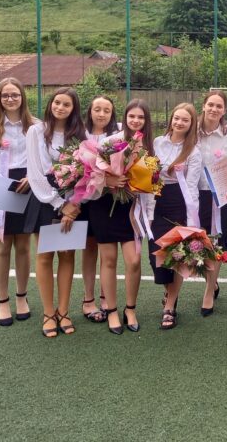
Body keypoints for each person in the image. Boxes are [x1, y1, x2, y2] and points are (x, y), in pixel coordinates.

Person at [90, 98, 154, 335]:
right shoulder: (110, 142)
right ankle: (112, 311)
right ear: (125, 118)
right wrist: (108, 180)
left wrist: (149, 216)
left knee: (134, 261)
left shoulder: (148, 148)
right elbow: (91, 176)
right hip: (105, 206)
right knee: (108, 260)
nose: (136, 120)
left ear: (146, 120)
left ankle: (130, 309)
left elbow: (150, 187)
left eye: (141, 117)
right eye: (132, 116)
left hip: (131, 210)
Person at [27, 87, 86, 337]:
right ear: (51, 103)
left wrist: (73, 205)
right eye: (57, 102)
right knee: (44, 257)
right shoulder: (36, 131)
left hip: (73, 200)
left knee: (67, 255)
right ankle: (48, 313)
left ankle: (63, 311)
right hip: (45, 199)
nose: (60, 108)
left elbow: (87, 173)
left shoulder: (80, 134)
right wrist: (60, 204)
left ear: (73, 109)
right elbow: (35, 173)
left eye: (66, 104)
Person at [151, 103, 201, 330]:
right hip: (156, 202)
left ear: (191, 124)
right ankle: (168, 293)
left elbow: (191, 187)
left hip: (179, 204)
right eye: (177, 118)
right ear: (171, 119)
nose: (180, 123)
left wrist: (192, 222)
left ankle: (170, 305)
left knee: (177, 257)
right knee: (157, 257)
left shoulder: (193, 151)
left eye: (185, 120)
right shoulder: (157, 143)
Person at [0, 78, 37, 327]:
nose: (10, 99)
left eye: (15, 95)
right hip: (0, 186)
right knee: (2, 248)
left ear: (22, 97)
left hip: (26, 185)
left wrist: (32, 177)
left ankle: (22, 297)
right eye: (5, 95)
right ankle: (2, 301)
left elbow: (41, 159)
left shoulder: (35, 126)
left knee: (23, 246)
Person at [197, 91, 227, 316]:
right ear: (204, 106)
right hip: (194, 195)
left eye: (219, 106)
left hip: (222, 196)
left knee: (217, 240)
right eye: (211, 104)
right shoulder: (191, 132)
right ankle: (211, 281)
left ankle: (208, 291)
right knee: (198, 242)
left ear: (224, 110)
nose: (214, 109)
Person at [81, 95, 119, 323]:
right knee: (89, 249)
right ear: (90, 111)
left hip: (107, 200)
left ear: (112, 113)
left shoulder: (117, 137)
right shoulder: (78, 134)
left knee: (107, 250)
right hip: (83, 200)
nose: (101, 114)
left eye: (106, 110)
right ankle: (88, 299)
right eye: (97, 109)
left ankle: (106, 296)